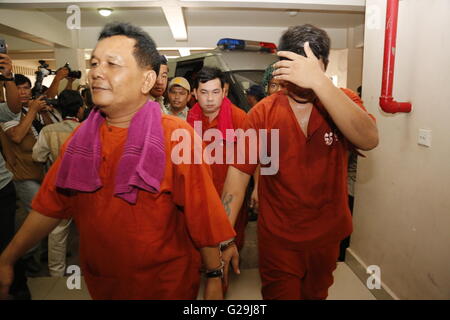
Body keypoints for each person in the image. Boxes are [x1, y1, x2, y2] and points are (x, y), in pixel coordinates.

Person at [0, 22, 236, 300]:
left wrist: (212, 275)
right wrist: (7, 258)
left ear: (147, 81)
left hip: (164, 283)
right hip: (103, 282)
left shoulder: (174, 135)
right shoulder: (81, 140)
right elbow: (50, 205)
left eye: (112, 64)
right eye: (94, 63)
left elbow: (202, 214)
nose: (97, 72)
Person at [220, 24, 378, 300]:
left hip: (327, 236)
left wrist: (319, 83)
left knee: (315, 295)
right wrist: (225, 237)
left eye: (313, 69)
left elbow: (368, 139)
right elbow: (237, 176)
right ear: (282, 68)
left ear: (324, 67)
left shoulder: (343, 102)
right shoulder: (263, 113)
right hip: (279, 238)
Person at [187, 67, 248, 292]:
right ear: (194, 92)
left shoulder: (240, 118)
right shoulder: (189, 119)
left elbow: (254, 160)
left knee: (226, 250)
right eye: (204, 92)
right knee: (201, 250)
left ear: (225, 91)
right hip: (200, 197)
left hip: (229, 198)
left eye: (215, 92)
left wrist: (257, 189)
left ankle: (220, 291)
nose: (210, 99)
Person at [32, 90, 84, 277]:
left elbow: (37, 156)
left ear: (60, 110)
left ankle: (57, 274)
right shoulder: (88, 129)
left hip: (59, 188)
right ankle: (91, 272)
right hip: (85, 191)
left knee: (57, 232)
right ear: (80, 109)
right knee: (89, 232)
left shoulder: (48, 131)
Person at [0, 52, 31, 300]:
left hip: (1, 188)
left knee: (6, 243)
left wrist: (7, 76)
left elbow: (12, 109)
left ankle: (18, 290)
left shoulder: (4, 109)